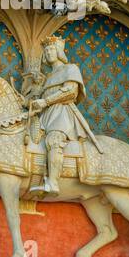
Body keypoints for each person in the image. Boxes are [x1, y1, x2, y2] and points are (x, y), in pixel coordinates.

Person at [27, 38, 101, 197]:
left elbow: (70, 91)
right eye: (46, 51)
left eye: (51, 50)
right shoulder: (47, 77)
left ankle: (53, 182)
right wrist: (34, 90)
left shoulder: (70, 68)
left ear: (59, 52)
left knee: (54, 140)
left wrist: (46, 101)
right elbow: (37, 99)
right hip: (45, 115)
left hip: (61, 113)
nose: (48, 53)